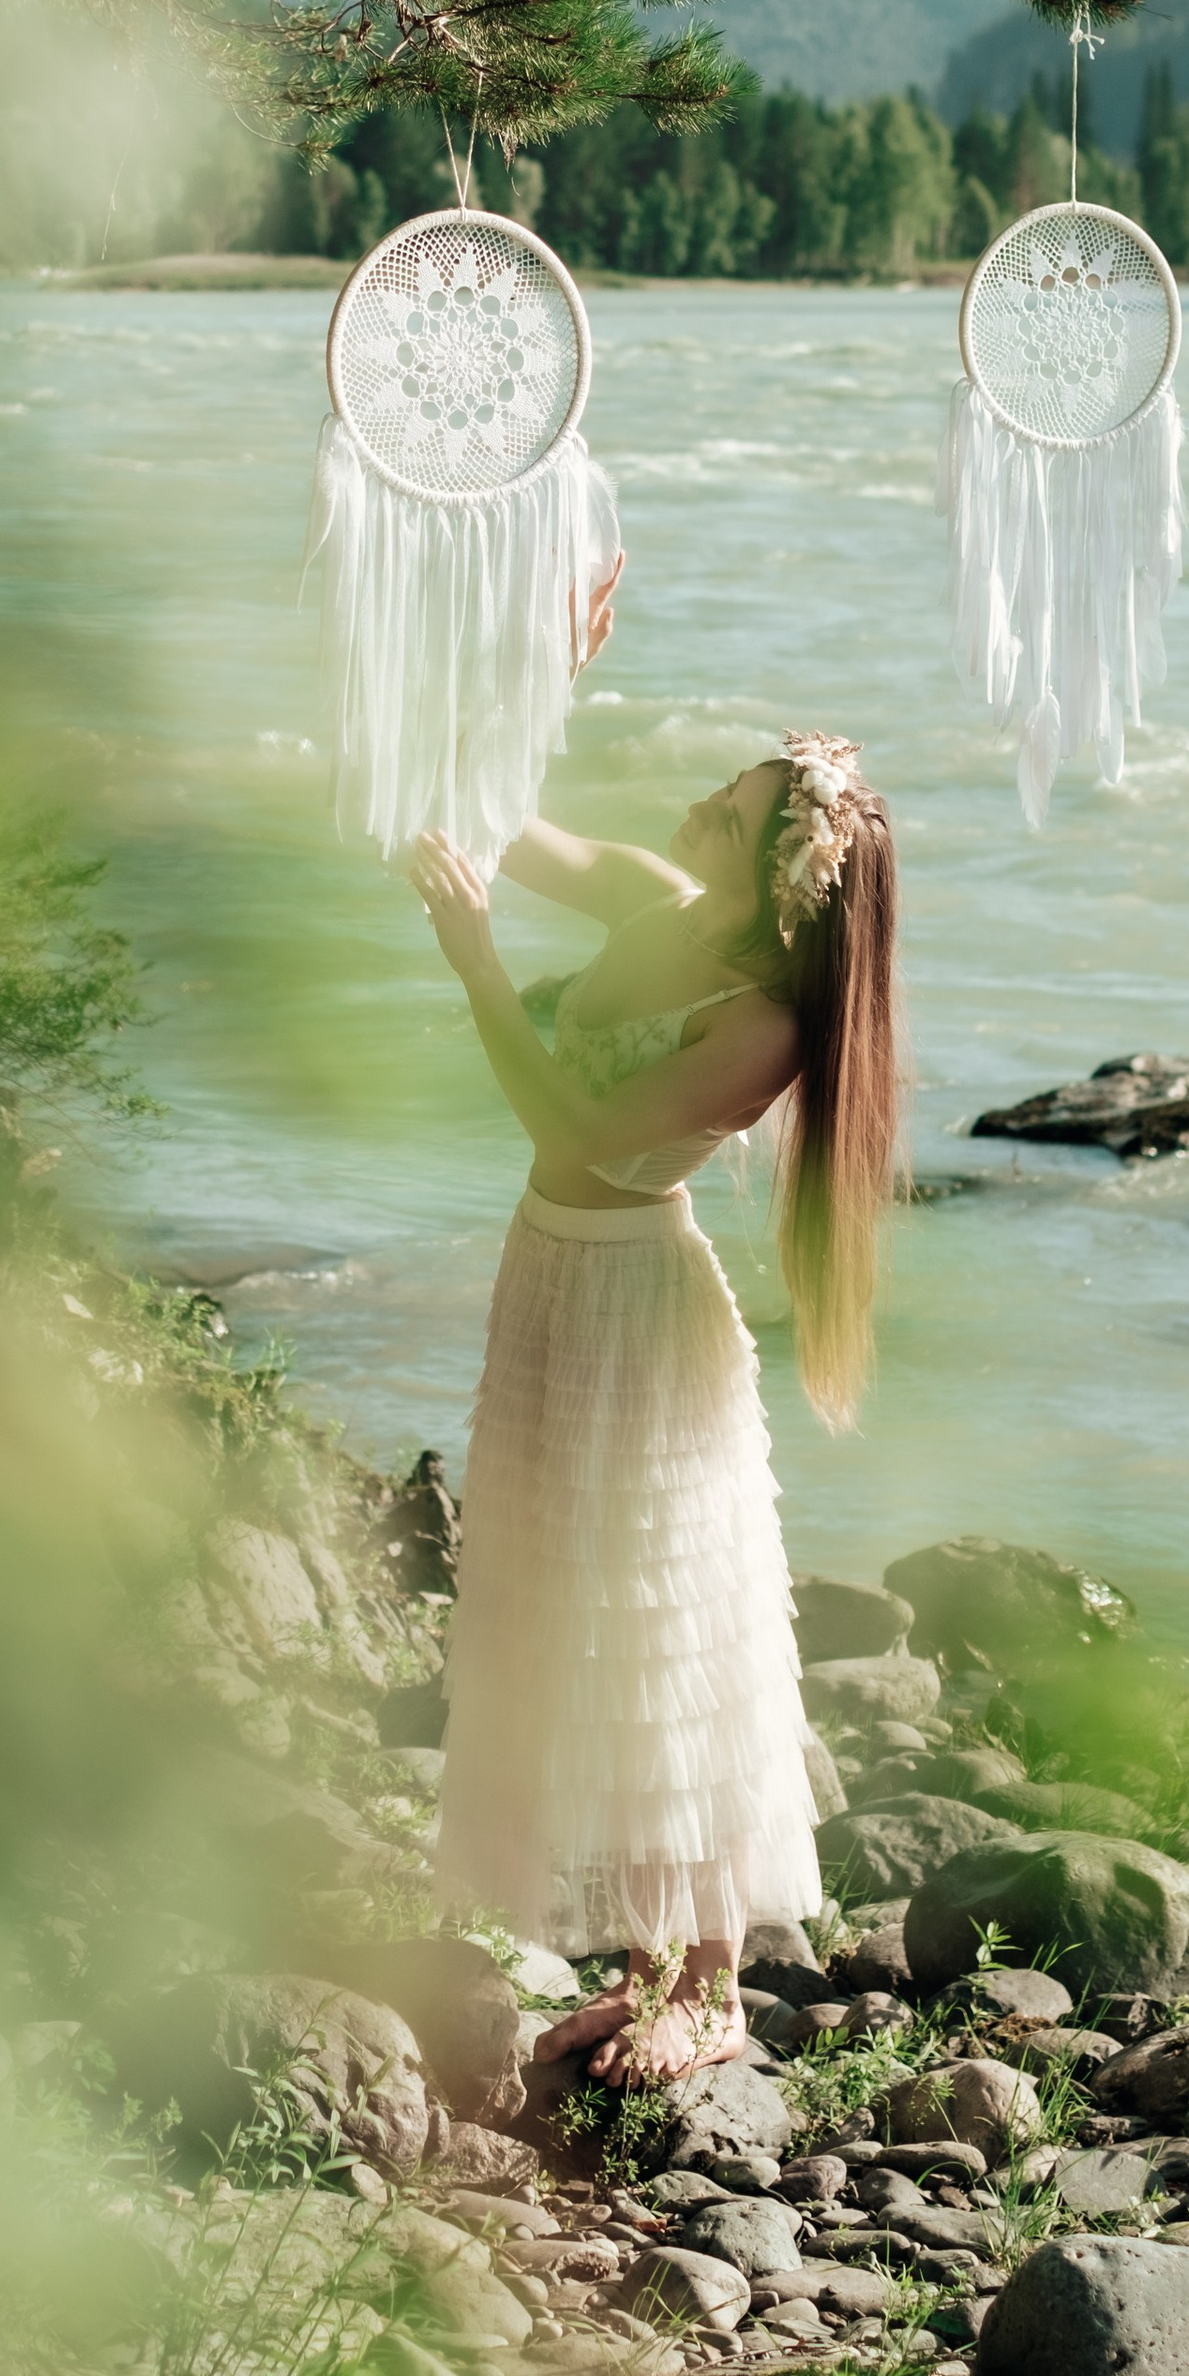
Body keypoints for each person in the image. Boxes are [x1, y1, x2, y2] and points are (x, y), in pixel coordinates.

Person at [406, 727, 899, 2086]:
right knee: (566, 1604)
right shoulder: (655, 901)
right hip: (551, 1280)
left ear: (779, 884)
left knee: (661, 1627)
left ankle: (717, 1986)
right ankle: (643, 1965)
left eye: (730, 817)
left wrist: (478, 961)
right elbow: (504, 808)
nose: (697, 811)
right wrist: (538, 655)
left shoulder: (764, 1023)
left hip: (637, 1308)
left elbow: (570, 1129)